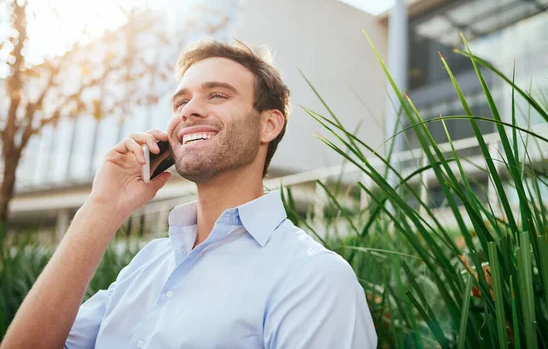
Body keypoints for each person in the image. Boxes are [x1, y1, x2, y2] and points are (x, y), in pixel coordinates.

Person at [1, 39, 377, 348]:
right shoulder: (146, 265)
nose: (190, 111)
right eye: (181, 102)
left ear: (268, 125)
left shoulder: (314, 277)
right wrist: (102, 208)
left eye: (217, 95)